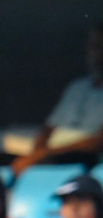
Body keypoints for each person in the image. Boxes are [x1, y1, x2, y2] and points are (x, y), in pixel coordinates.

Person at [11, 24, 103, 174]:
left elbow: (98, 142)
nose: (95, 53)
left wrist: (44, 154)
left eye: (99, 46)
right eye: (93, 47)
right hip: (49, 155)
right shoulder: (77, 87)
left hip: (84, 159)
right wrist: (36, 153)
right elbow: (47, 129)